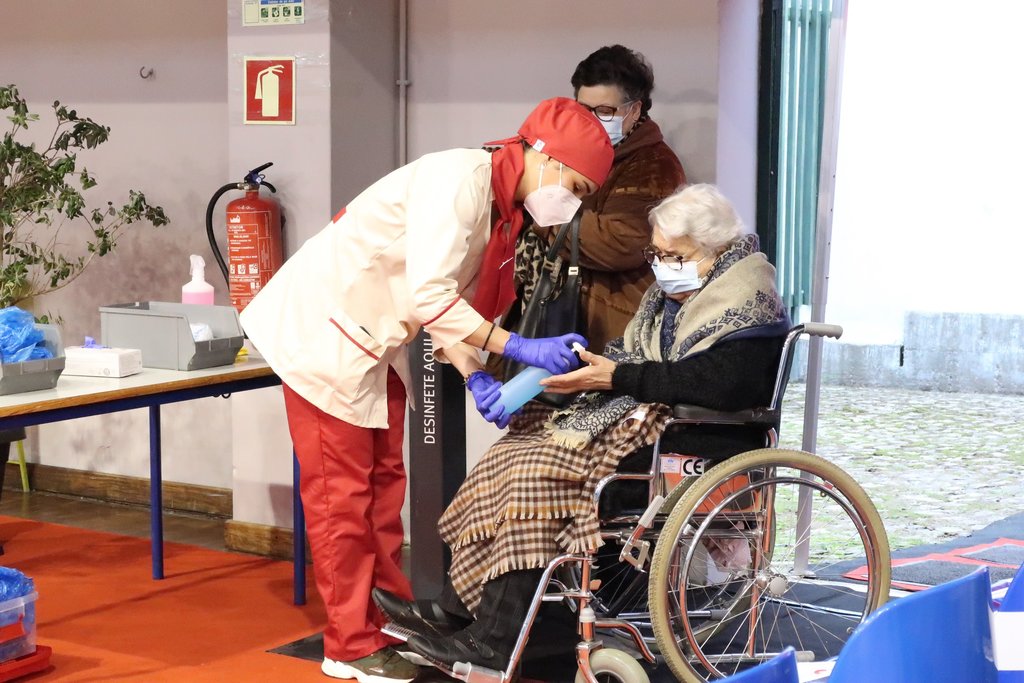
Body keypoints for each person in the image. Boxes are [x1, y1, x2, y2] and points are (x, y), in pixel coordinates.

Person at [239, 97, 613, 682]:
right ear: (541, 155)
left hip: (371, 343)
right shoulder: (459, 182)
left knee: (385, 488)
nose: (571, 202)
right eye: (575, 185)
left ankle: (384, 615)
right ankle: (349, 644)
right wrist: (513, 348)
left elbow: (445, 310)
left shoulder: (498, 208)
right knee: (341, 502)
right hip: (322, 339)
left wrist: (476, 374)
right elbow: (431, 299)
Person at [374, 184, 788, 672]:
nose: (661, 264)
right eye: (655, 253)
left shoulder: (747, 300)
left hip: (697, 438)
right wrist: (585, 369)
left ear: (714, 249)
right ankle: (457, 609)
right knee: (512, 451)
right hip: (647, 420)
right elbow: (637, 358)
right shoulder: (671, 296)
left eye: (673, 254)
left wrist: (616, 376)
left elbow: (720, 385)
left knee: (538, 473)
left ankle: (496, 638)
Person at [490, 45, 686, 379]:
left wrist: (544, 205)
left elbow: (621, 243)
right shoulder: (562, 152)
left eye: (605, 110)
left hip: (611, 330)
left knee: (583, 423)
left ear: (634, 110)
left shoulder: (655, 166)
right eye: (584, 109)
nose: (593, 119)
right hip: (550, 316)